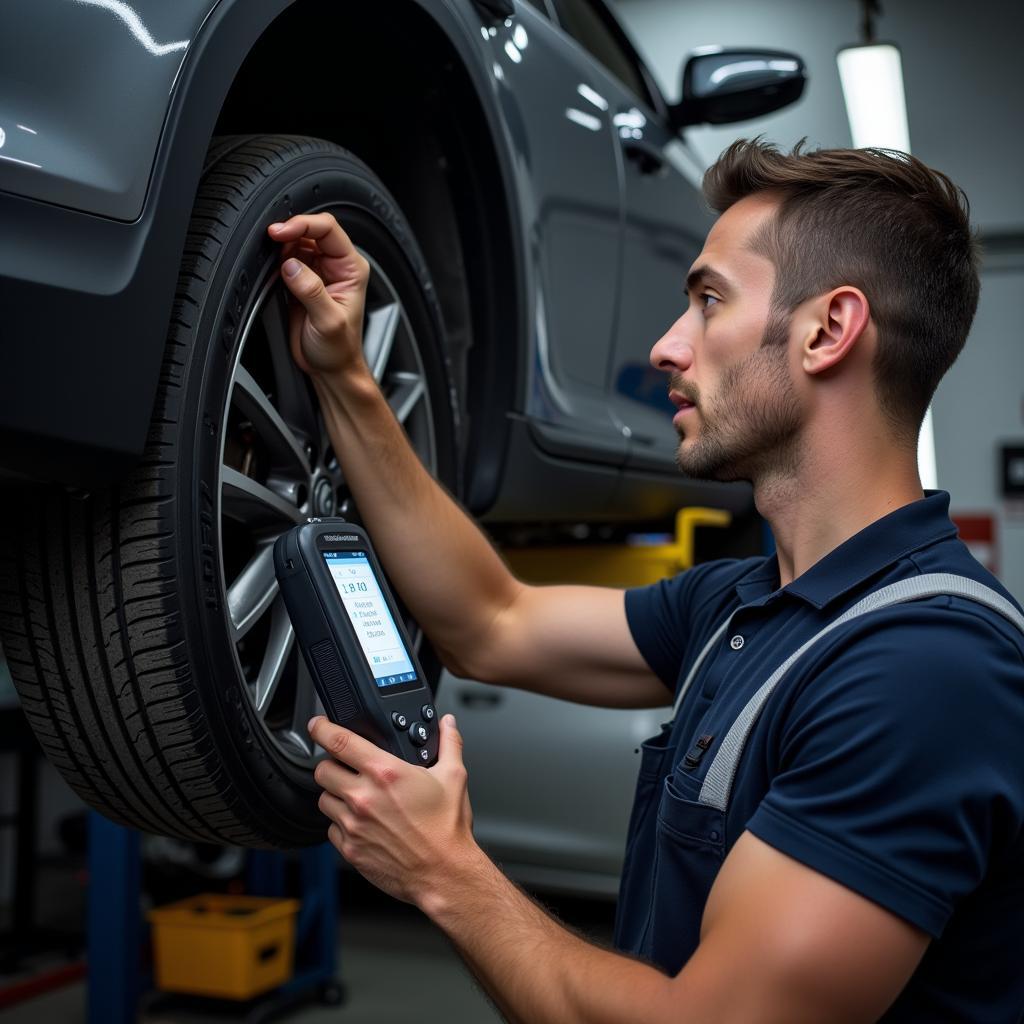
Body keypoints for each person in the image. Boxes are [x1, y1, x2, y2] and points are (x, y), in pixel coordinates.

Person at [266, 139, 1024, 1022]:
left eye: (709, 301)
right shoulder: (740, 604)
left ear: (828, 330)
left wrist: (446, 873)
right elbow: (489, 621)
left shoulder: (926, 669)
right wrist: (346, 374)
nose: (667, 348)